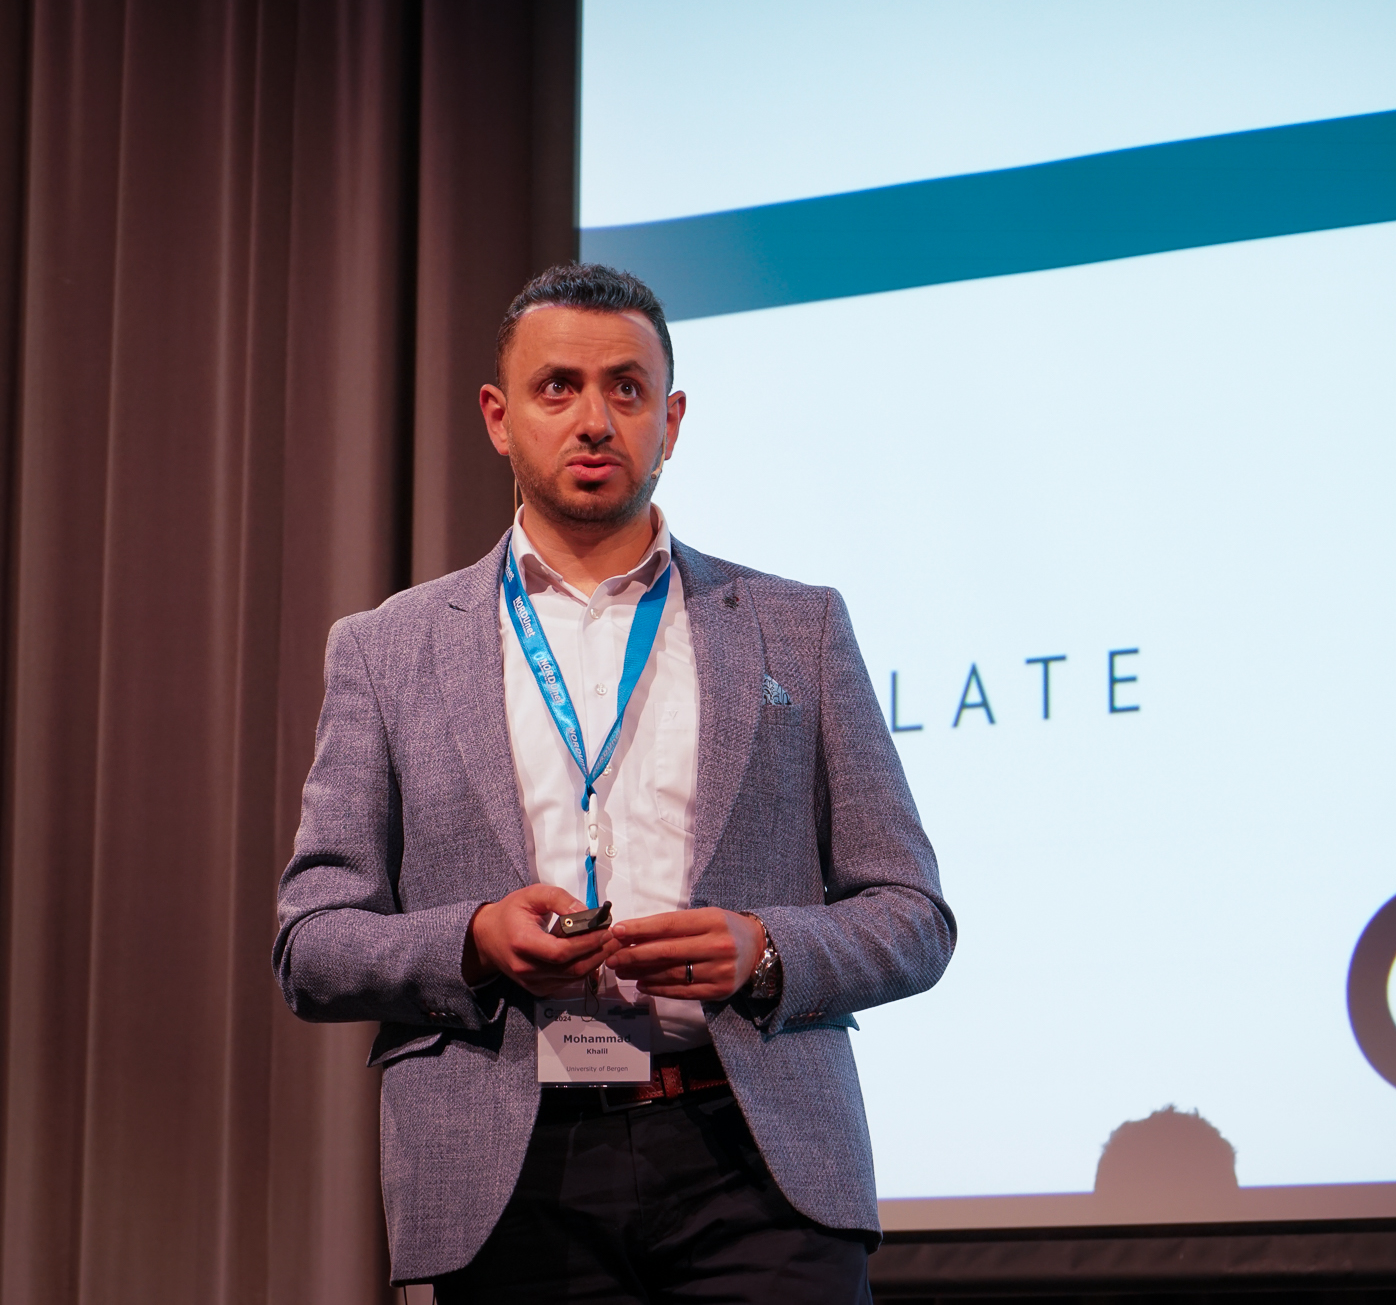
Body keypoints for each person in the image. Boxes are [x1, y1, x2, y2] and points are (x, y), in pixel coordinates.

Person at [273, 263, 953, 1302]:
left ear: (669, 421)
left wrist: (763, 948)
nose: (594, 419)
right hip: (510, 1174)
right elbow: (312, 943)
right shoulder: (387, 649)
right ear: (498, 418)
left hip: (753, 1162)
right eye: (558, 387)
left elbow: (911, 914)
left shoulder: (798, 627)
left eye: (626, 389)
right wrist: (471, 941)